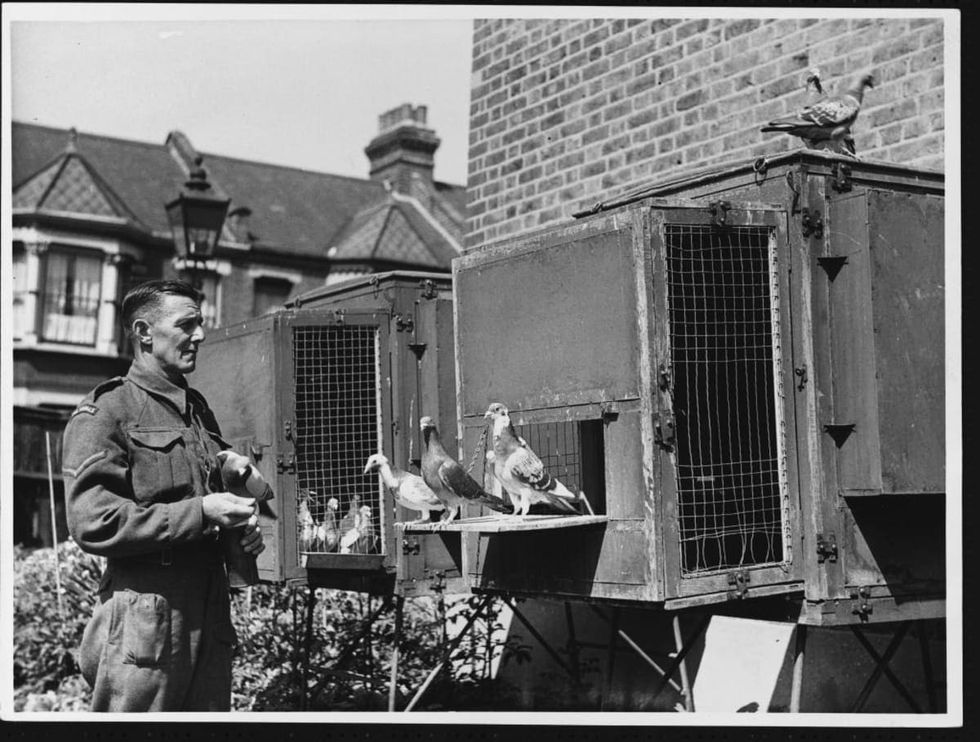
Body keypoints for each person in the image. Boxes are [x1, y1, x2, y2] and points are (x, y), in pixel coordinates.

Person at [62, 279, 264, 712]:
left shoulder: (197, 410)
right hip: (146, 617)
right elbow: (92, 522)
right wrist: (202, 512)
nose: (201, 335)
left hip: (207, 611)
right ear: (144, 332)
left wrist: (239, 528)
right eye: (186, 324)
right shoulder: (107, 411)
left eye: (201, 323)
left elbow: (206, 497)